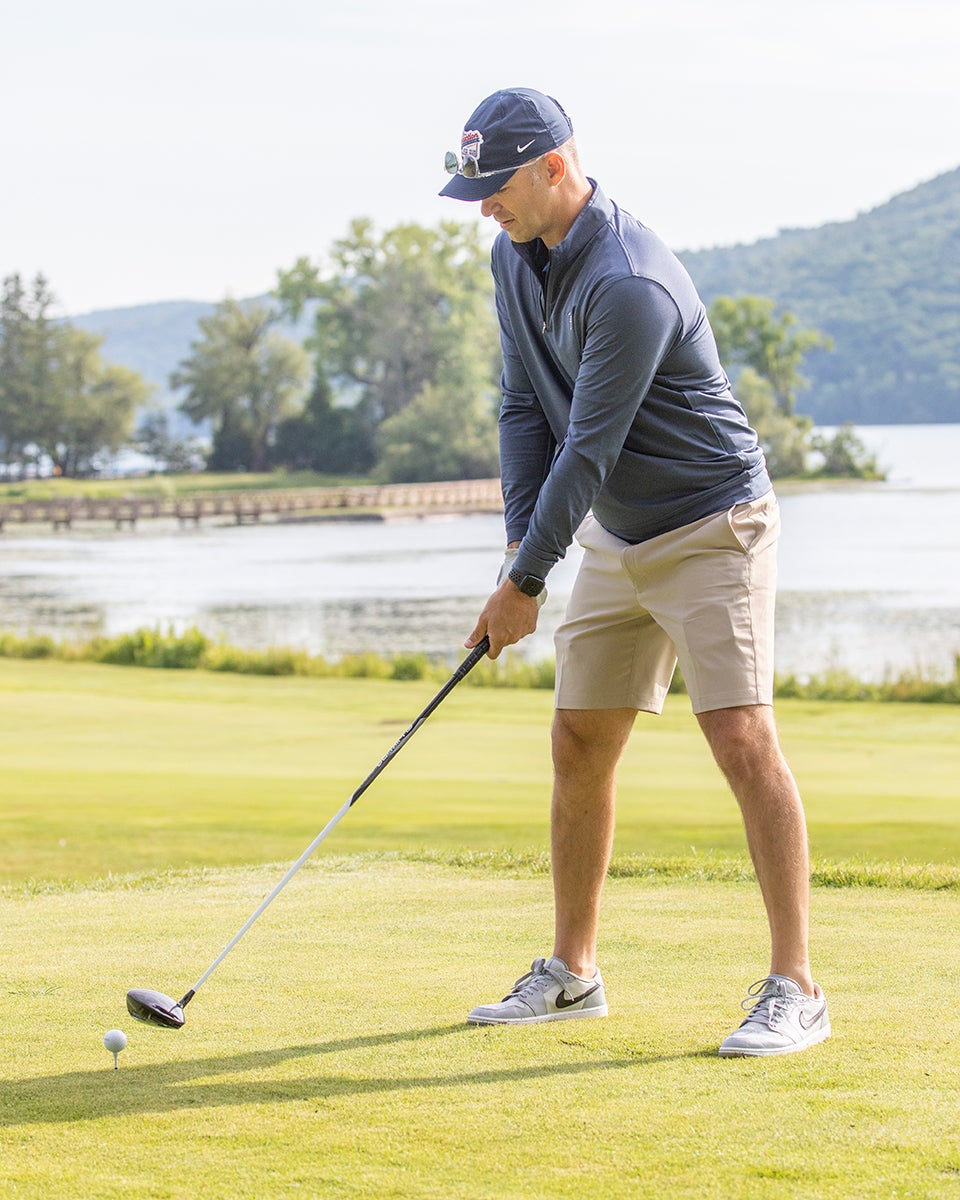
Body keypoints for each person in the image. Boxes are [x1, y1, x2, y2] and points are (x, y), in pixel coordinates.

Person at [439, 87, 830, 1057]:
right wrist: (516, 556)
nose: (485, 205)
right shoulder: (511, 258)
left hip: (712, 525)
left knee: (740, 737)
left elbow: (589, 445)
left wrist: (525, 585)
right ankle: (573, 974)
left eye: (497, 187)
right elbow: (524, 409)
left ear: (556, 169)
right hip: (618, 534)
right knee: (578, 741)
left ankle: (797, 987)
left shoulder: (628, 282)